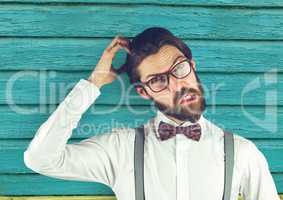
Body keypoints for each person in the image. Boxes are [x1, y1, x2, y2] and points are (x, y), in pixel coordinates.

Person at [24, 27, 280, 200]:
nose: (178, 85)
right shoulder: (120, 149)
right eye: (158, 80)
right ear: (144, 92)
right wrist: (94, 83)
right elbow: (41, 158)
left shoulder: (243, 153)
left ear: (192, 66)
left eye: (180, 69)